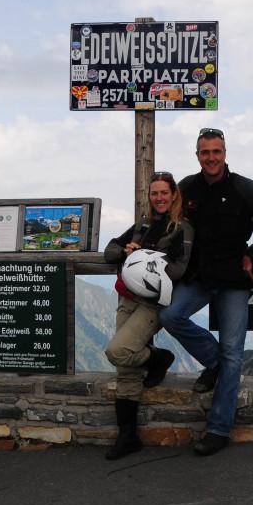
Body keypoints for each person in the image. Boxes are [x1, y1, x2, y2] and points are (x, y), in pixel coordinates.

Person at [159, 128, 253, 456]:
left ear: (225, 153)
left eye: (216, 151)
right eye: (205, 152)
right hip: (199, 277)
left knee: (234, 354)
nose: (211, 158)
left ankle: (218, 430)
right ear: (197, 155)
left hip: (234, 280)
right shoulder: (186, 188)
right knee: (170, 316)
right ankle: (214, 361)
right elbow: (162, 221)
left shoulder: (247, 189)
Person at [102, 171, 194, 460]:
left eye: (164, 193)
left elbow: (181, 269)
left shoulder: (182, 228)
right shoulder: (142, 223)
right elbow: (109, 251)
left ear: (174, 194)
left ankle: (159, 357)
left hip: (153, 303)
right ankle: (127, 436)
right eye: (154, 193)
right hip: (126, 297)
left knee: (119, 351)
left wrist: (145, 257)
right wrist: (127, 251)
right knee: (126, 370)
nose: (159, 198)